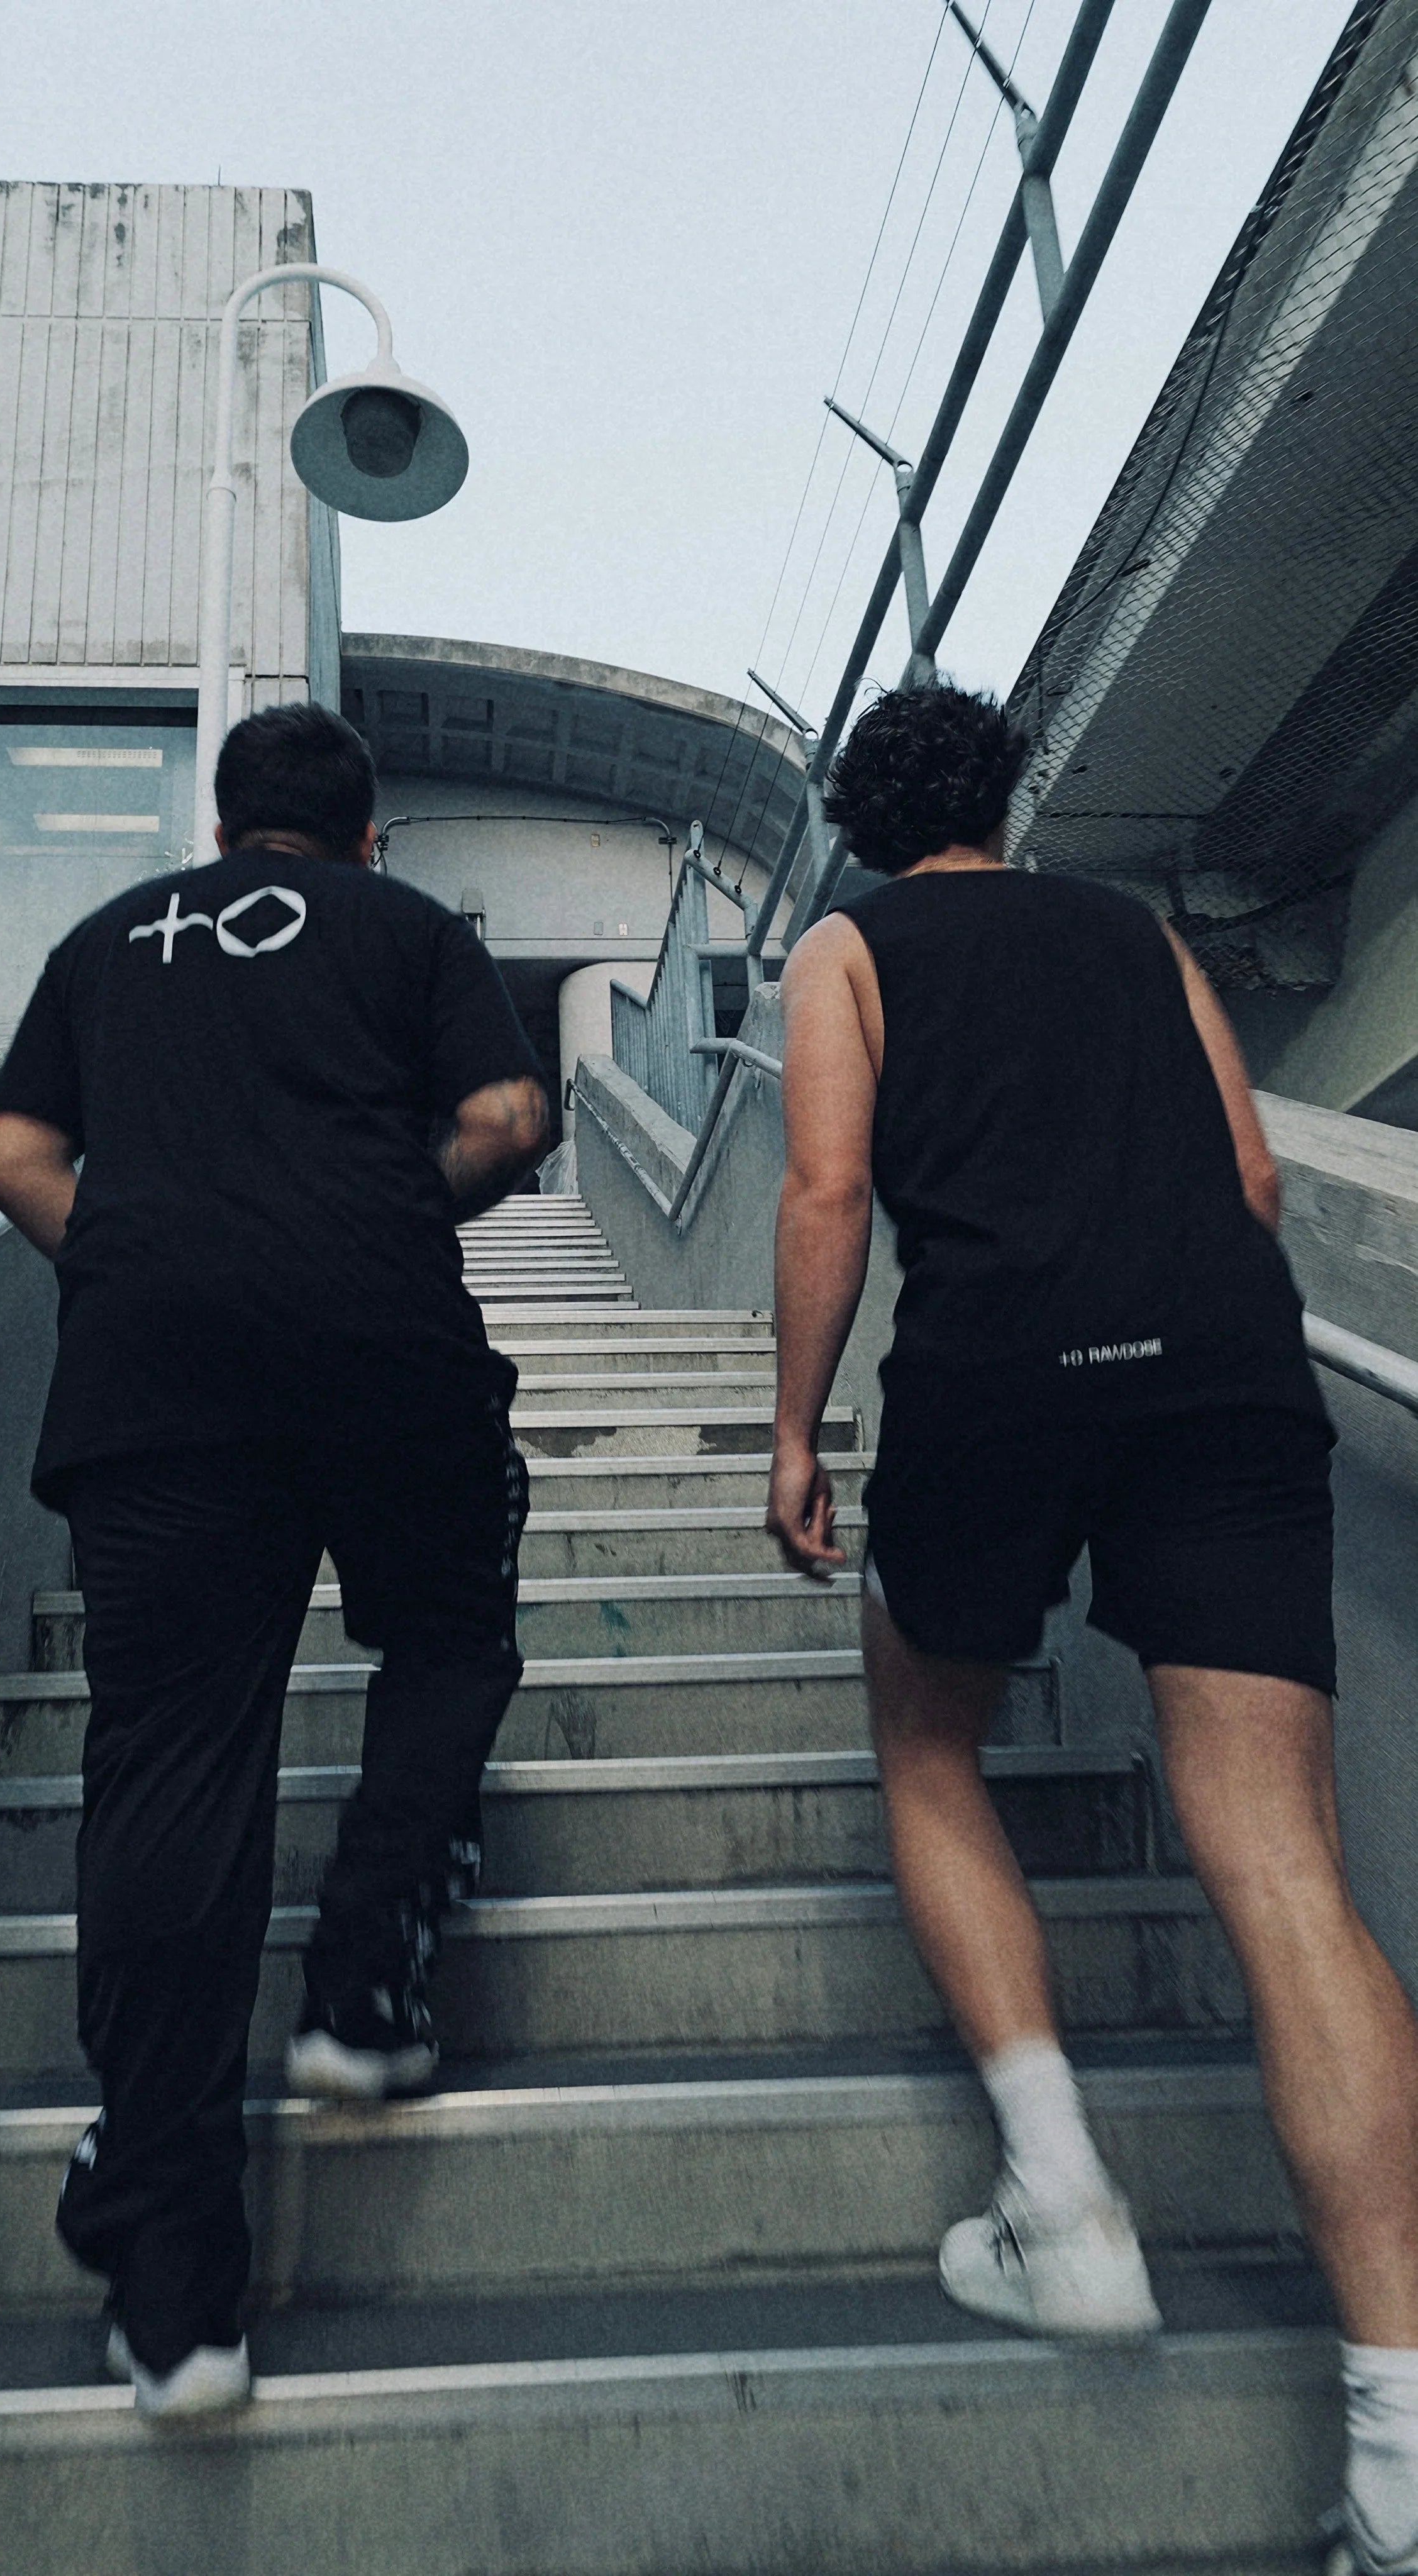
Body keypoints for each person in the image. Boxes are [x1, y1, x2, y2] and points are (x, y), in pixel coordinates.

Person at [765, 680, 1418, 2575]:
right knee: (1285, 1866)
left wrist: (796, 1430)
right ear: (1007, 798)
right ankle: (1398, 2444)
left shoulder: (848, 945)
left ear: (865, 821)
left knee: (926, 1737)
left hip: (995, 1371)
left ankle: (1063, 2210)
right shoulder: (1132, 935)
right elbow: (1252, 1176)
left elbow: (822, 1189)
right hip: (1219, 1374)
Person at [0, 701, 547, 2417]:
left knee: (170, 1771)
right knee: (446, 1636)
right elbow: (513, 1117)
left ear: (222, 831)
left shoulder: (105, 941)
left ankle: (179, 2294)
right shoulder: (410, 927)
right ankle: (362, 1982)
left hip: (155, 1376)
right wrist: (372, 1208)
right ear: (365, 836)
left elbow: (12, 1158)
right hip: (381, 1339)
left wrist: (158, 1245)